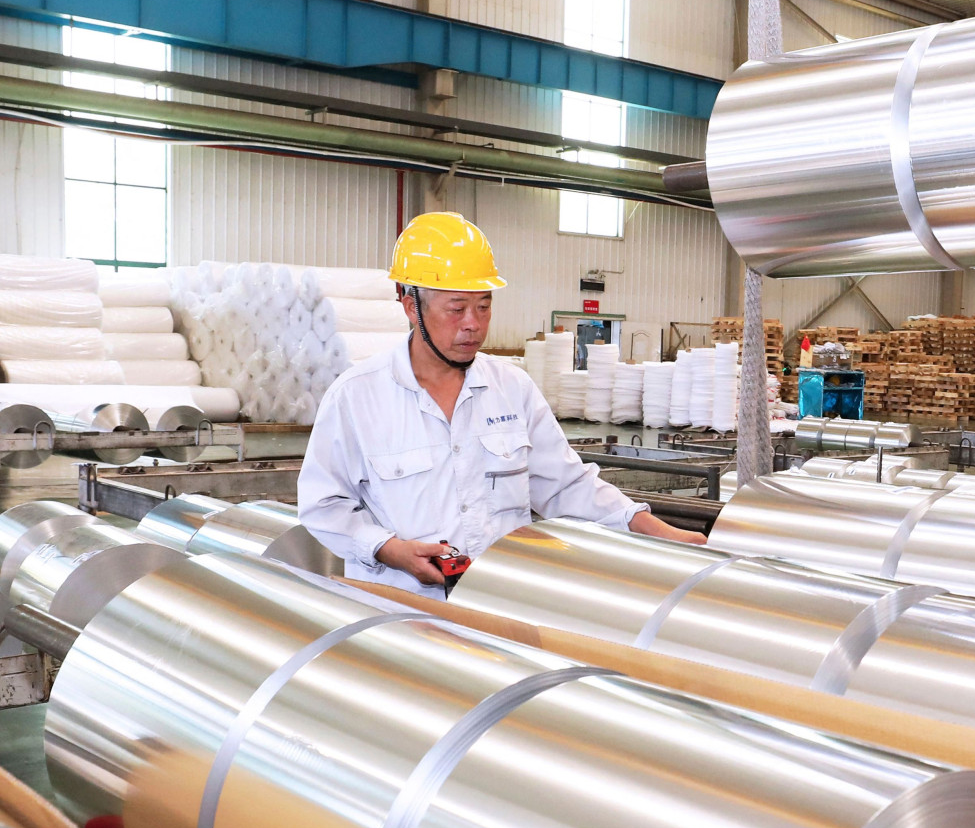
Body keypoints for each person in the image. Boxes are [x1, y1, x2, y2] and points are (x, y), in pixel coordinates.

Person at [300, 211, 706, 593]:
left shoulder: (512, 388)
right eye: (456, 309)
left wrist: (652, 527)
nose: (473, 324)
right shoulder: (357, 397)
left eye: (484, 306)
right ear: (411, 307)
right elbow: (323, 505)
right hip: (401, 613)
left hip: (500, 604)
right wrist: (389, 549)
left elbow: (566, 485)